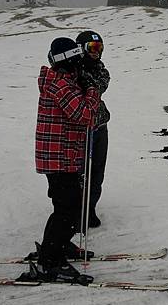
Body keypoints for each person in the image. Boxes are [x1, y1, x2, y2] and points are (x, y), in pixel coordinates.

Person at [32, 37, 101, 284]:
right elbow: (85, 115)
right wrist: (92, 90)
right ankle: (49, 260)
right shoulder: (61, 85)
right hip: (59, 156)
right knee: (67, 209)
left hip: (63, 155)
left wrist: (86, 85)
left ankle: (59, 244)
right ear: (69, 62)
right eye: (76, 62)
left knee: (69, 205)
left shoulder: (63, 82)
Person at [75, 30, 110, 228]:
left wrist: (91, 83)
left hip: (99, 125)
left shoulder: (99, 68)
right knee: (81, 171)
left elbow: (101, 84)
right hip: (81, 127)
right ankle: (78, 209)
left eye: (99, 48)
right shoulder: (74, 68)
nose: (96, 52)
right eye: (92, 48)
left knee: (97, 170)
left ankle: (91, 207)